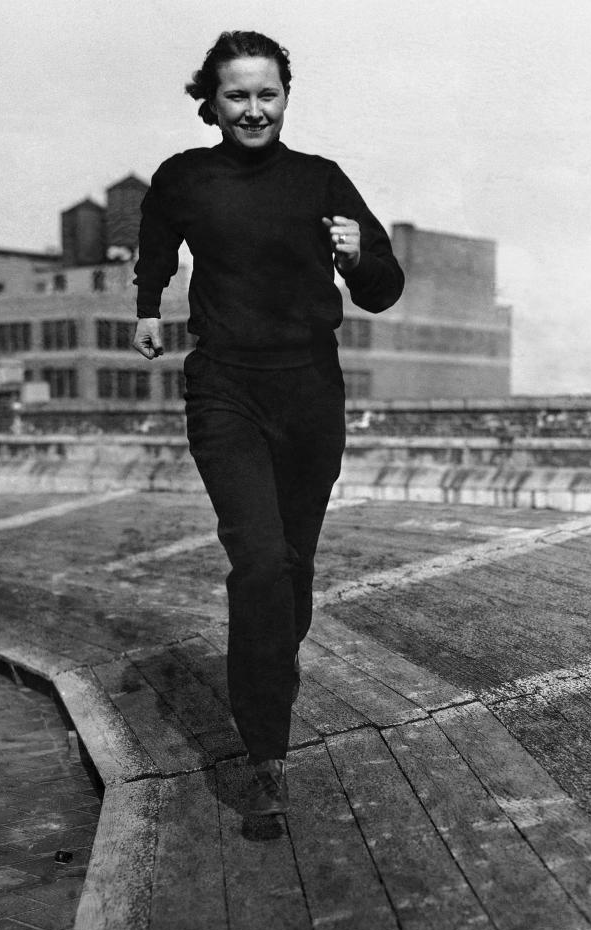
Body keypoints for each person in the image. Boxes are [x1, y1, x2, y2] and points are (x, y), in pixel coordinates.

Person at [132, 29, 404, 825]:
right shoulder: (185, 177)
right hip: (226, 388)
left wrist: (357, 257)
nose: (253, 110)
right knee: (257, 562)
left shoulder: (321, 181)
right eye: (236, 96)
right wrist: (148, 306)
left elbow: (384, 290)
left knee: (292, 572)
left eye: (266, 95)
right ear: (210, 104)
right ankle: (264, 755)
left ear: (285, 97)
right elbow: (156, 238)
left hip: (310, 393)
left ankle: (265, 693)